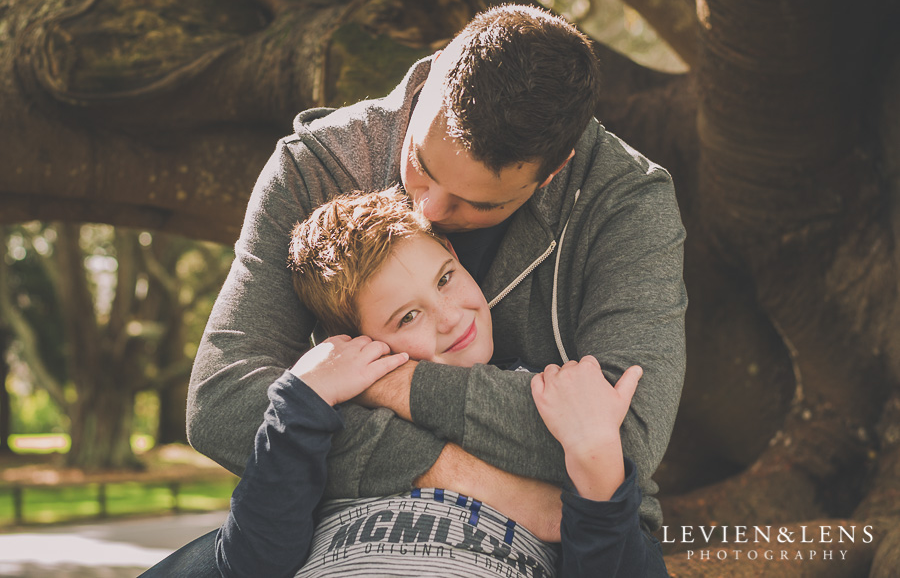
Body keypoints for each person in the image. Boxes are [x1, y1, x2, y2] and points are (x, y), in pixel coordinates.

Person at [186, 0, 685, 571]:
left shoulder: (624, 201)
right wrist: (465, 477)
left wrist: (387, 385)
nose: (428, 207)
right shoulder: (313, 166)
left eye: (479, 202)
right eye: (422, 163)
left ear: (552, 171)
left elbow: (626, 438)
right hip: (340, 528)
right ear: (440, 64)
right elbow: (221, 402)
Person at [214, 188, 663, 577]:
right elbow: (251, 564)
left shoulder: (547, 405)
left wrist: (596, 469)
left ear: (453, 253)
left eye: (445, 278)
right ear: (356, 342)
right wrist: (301, 401)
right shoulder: (320, 424)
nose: (450, 319)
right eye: (408, 316)